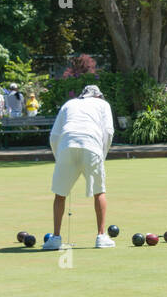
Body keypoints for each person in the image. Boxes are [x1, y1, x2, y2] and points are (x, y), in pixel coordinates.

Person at [44, 84, 116, 249]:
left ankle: (55, 238)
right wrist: (102, 155)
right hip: (92, 146)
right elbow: (108, 132)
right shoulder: (103, 104)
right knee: (99, 192)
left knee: (60, 194)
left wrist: (59, 157)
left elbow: (54, 135)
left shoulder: (69, 104)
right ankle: (101, 237)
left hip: (66, 145)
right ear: (98, 96)